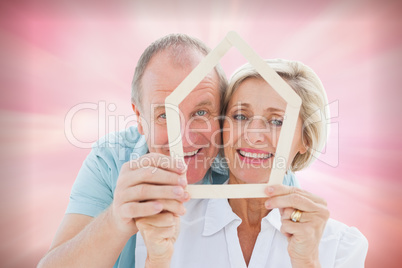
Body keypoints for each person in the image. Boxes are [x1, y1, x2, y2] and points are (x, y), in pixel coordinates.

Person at [38, 35, 299, 267]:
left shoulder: (253, 166)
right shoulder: (109, 161)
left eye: (201, 112)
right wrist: (116, 219)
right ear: (140, 118)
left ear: (222, 113)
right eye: (164, 115)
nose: (184, 138)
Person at [135, 59, 368, 267]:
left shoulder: (341, 246)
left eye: (277, 121)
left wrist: (307, 262)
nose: (253, 135)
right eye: (240, 116)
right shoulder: (167, 226)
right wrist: (157, 261)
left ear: (305, 139)